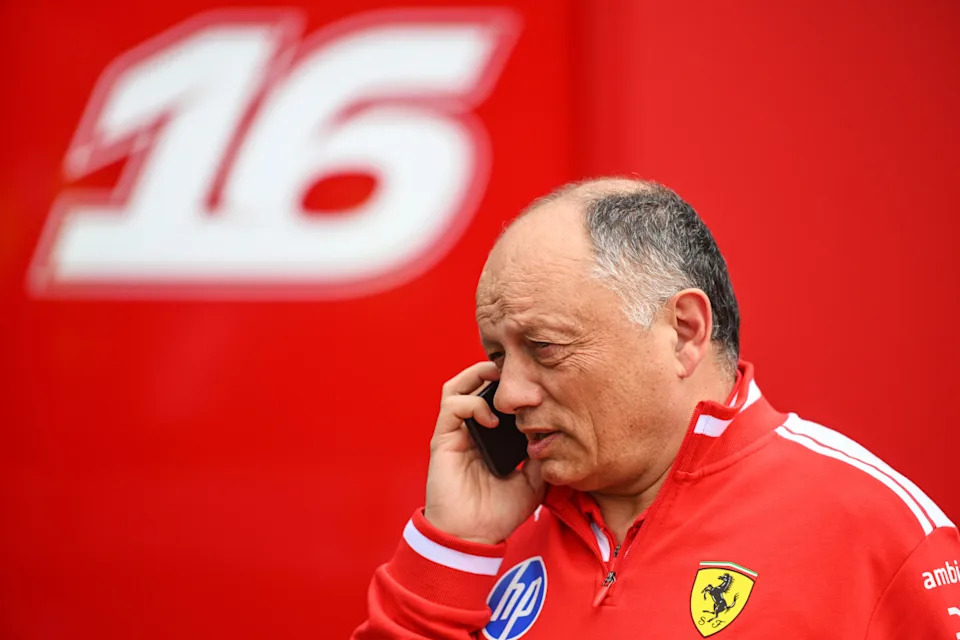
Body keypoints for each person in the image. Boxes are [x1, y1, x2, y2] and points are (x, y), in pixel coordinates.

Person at [352, 178, 960, 639]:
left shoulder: (876, 532)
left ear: (685, 332)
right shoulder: (483, 541)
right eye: (497, 356)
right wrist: (451, 550)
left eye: (544, 348)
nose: (508, 394)